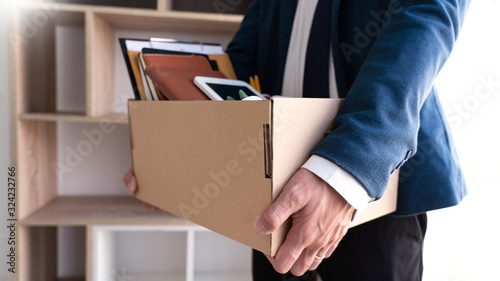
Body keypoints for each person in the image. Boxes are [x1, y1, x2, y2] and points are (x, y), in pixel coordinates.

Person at [124, 0, 470, 280]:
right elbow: (239, 64)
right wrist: (176, 153)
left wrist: (346, 170)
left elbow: (426, 17)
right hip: (272, 181)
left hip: (374, 181)